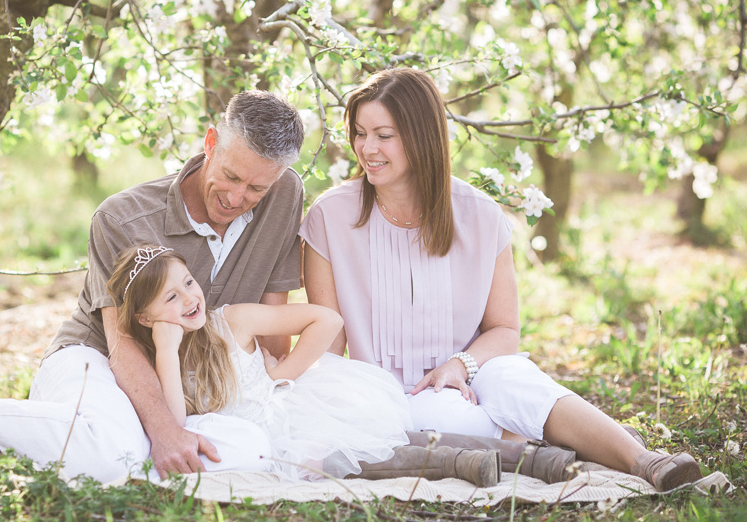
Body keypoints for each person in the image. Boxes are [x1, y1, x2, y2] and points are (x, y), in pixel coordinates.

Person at [0, 93, 306, 488]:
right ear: (211, 141)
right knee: (113, 459)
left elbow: (271, 310)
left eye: (255, 188)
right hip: (97, 359)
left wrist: (268, 403)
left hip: (187, 384)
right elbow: (120, 344)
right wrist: (165, 430)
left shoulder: (285, 193)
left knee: (260, 450)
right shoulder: (123, 217)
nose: (236, 197)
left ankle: (98, 440)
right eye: (230, 176)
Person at [301, 68, 702, 493]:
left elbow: (505, 331)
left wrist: (460, 364)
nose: (367, 148)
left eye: (384, 135)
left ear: (422, 137)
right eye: (360, 133)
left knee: (514, 378)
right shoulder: (330, 217)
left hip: (471, 381)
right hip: (383, 398)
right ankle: (548, 443)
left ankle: (646, 461)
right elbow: (328, 347)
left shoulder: (479, 215)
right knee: (446, 418)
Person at [107, 243, 412, 480]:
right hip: (249, 443)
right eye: (170, 298)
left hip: (291, 422)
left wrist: (283, 373)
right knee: (362, 463)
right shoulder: (157, 355)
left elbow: (327, 320)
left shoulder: (233, 321)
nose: (189, 299)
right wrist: (166, 351)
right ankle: (448, 457)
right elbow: (175, 424)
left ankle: (453, 459)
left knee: (371, 455)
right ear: (145, 318)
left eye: (188, 283)